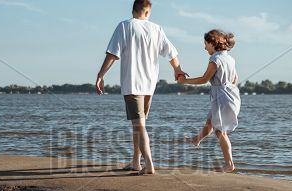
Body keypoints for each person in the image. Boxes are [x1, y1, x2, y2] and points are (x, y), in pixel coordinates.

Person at [96, 0, 187, 175]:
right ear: (147, 12)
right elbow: (172, 53)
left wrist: (101, 75)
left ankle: (149, 165)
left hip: (133, 85)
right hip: (149, 85)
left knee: (139, 126)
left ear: (133, 10)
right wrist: (177, 70)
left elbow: (112, 55)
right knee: (138, 124)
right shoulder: (156, 28)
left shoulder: (124, 26)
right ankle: (136, 162)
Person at [178, 29, 241, 173]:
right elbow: (235, 79)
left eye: (206, 44)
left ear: (212, 43)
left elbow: (204, 79)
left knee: (220, 131)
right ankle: (196, 140)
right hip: (231, 94)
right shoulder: (230, 59)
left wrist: (184, 81)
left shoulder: (215, 59)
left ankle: (229, 164)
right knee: (210, 122)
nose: (204, 47)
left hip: (222, 97)